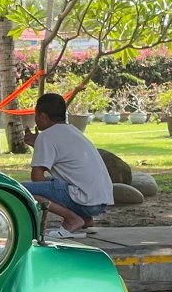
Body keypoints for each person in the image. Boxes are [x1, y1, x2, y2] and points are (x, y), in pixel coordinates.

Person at [24, 92, 113, 237]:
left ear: (43, 116)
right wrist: (38, 145)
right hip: (100, 202)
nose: (35, 120)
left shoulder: (46, 136)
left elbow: (37, 177)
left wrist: (39, 144)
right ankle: (86, 219)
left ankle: (72, 219)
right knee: (52, 184)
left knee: (24, 190)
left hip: (84, 199)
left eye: (35, 115)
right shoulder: (73, 131)